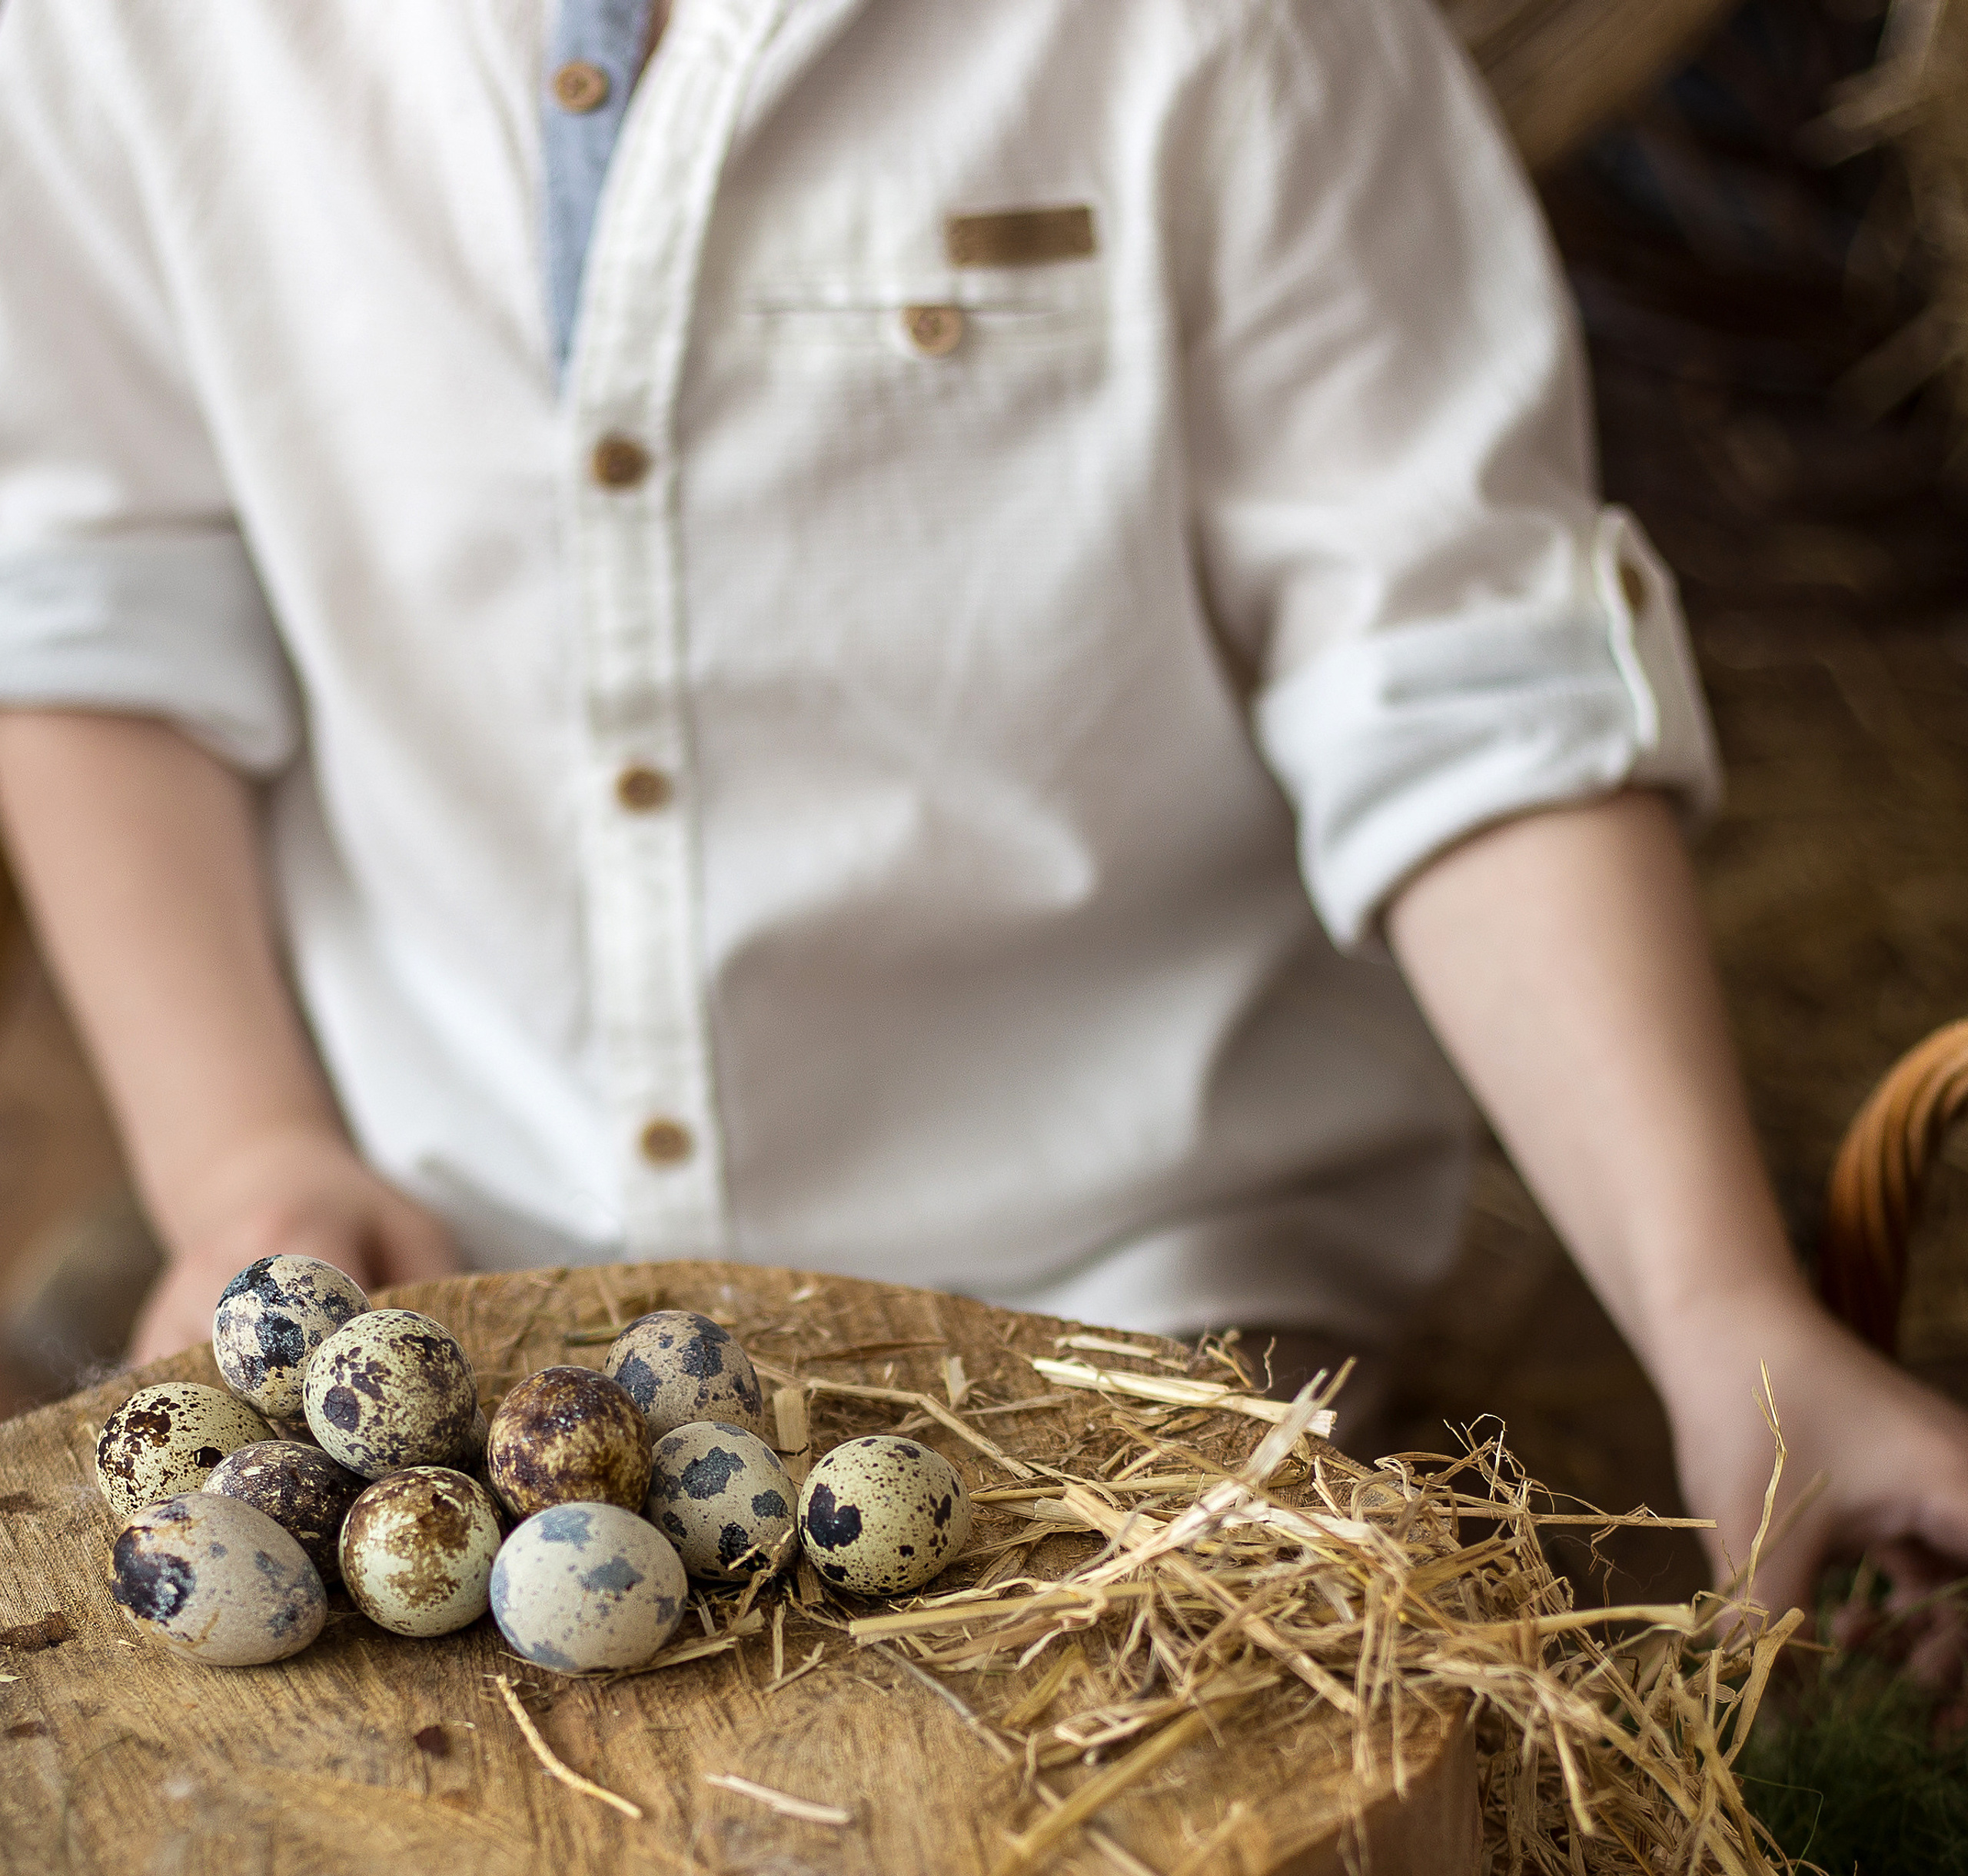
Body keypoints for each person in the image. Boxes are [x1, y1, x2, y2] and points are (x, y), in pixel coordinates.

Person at [2, 0, 1965, 1622]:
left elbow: (1456, 675)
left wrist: (1721, 1311)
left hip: (1136, 1353)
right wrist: (242, 1153)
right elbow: (96, 597)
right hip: (458, 1298)